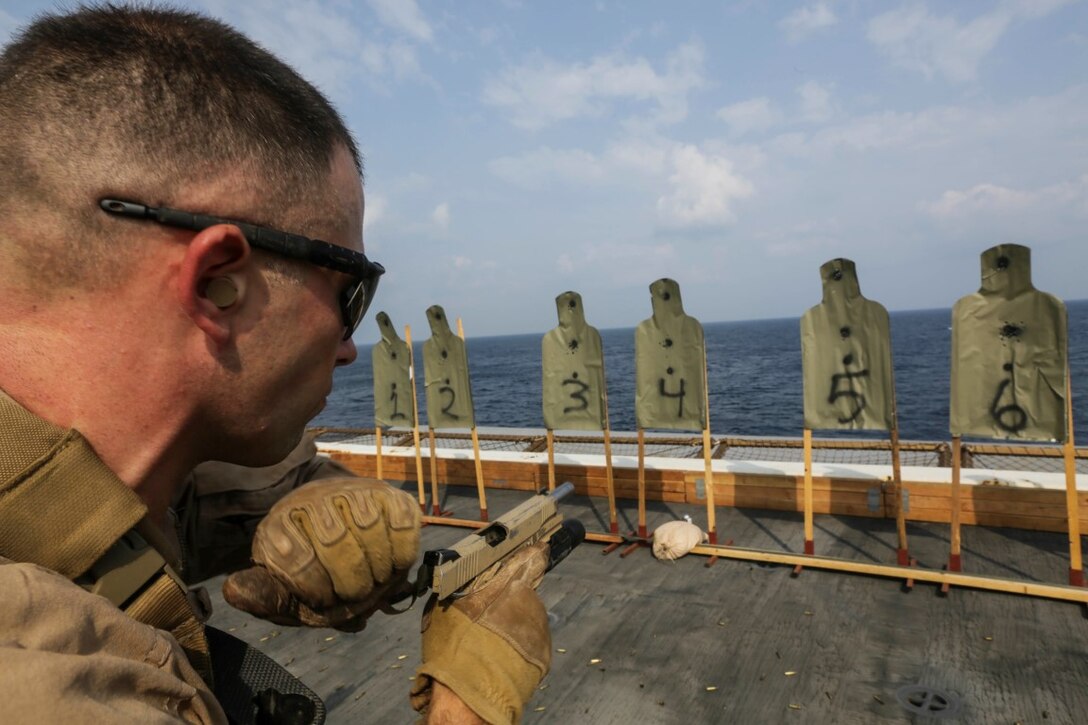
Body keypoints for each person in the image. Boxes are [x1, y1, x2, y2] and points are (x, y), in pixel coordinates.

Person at [0, 5, 548, 724]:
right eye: (347, 289)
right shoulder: (43, 680)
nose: (349, 343)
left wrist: (306, 495)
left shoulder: (80, 487)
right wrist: (467, 705)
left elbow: (177, 504)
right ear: (216, 283)